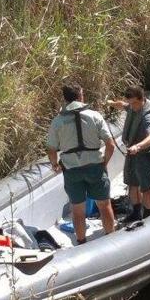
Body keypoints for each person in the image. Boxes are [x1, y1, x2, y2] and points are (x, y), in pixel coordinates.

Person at [46, 83, 116, 244]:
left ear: (65, 99)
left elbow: (51, 148)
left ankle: (81, 242)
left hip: (72, 171)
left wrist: (55, 164)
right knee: (104, 205)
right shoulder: (95, 116)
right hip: (95, 168)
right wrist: (104, 162)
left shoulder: (57, 122)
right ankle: (111, 239)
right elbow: (110, 144)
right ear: (80, 96)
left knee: (77, 210)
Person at [108, 86, 150, 222]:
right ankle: (136, 212)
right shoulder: (131, 107)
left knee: (146, 187)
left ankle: (148, 215)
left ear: (142, 100)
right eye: (130, 103)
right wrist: (112, 104)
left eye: (134, 103)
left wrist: (138, 146)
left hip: (144, 155)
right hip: (131, 153)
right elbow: (123, 105)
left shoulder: (148, 116)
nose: (132, 106)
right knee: (132, 183)